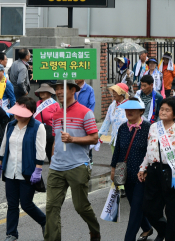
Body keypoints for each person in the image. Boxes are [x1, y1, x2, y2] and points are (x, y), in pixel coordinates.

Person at [45, 80, 100, 241]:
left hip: (77, 166)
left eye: (62, 88)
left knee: (81, 207)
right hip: (56, 168)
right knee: (51, 208)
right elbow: (56, 140)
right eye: (56, 89)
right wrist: (54, 156)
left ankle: (94, 229)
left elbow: (95, 138)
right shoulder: (56, 114)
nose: (59, 91)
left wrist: (73, 139)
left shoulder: (85, 112)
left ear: (73, 90)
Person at [138, 97, 175, 241]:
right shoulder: (154, 127)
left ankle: (170, 237)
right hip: (154, 171)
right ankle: (163, 230)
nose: (163, 112)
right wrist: (143, 167)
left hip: (173, 172)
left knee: (173, 212)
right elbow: (149, 150)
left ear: (174, 114)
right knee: (149, 208)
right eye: (162, 109)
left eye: (167, 110)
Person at [0, 97, 47, 241]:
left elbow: (40, 151)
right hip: (10, 172)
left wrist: (38, 170)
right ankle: (11, 234)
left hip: (28, 172)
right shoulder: (11, 125)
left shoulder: (38, 127)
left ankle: (45, 221)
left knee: (26, 204)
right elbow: (4, 145)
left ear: (31, 112)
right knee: (12, 204)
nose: (17, 114)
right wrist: (1, 163)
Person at [110, 99, 153, 241]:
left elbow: (152, 152)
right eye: (127, 109)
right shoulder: (123, 127)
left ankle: (129, 238)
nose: (129, 112)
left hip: (142, 175)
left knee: (135, 210)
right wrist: (113, 168)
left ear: (141, 111)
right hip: (125, 173)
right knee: (134, 204)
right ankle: (147, 228)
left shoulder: (148, 128)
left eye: (134, 109)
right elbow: (118, 150)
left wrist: (147, 170)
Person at [98, 83, 130, 152]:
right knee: (115, 162)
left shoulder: (129, 106)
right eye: (113, 91)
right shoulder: (112, 106)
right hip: (114, 140)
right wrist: (98, 135)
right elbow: (106, 121)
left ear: (121, 93)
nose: (113, 93)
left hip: (126, 141)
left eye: (115, 91)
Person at [34, 84, 60, 162]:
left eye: (44, 91)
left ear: (50, 93)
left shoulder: (55, 104)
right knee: (37, 156)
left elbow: (59, 119)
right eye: (40, 91)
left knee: (51, 155)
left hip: (50, 132)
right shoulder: (37, 103)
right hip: (38, 132)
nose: (42, 93)